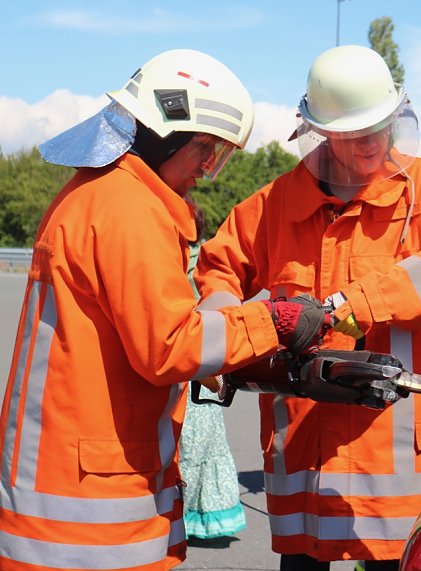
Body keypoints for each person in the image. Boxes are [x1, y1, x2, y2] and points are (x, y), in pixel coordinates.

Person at [0, 49, 329, 571]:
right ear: (165, 133)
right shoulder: (129, 207)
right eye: (205, 148)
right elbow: (169, 346)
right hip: (90, 510)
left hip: (61, 484)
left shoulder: (96, 192)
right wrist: (273, 321)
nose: (207, 168)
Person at [193, 45, 421, 570]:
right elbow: (218, 270)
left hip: (394, 468)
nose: (373, 144)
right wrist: (221, 343)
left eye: (380, 128)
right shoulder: (275, 205)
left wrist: (358, 303)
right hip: (305, 456)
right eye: (355, 135)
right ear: (322, 134)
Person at [179, 208, 246, 542]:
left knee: (186, 444)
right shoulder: (202, 260)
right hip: (202, 365)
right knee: (200, 444)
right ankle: (196, 513)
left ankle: (180, 514)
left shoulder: (179, 261)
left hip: (186, 363)